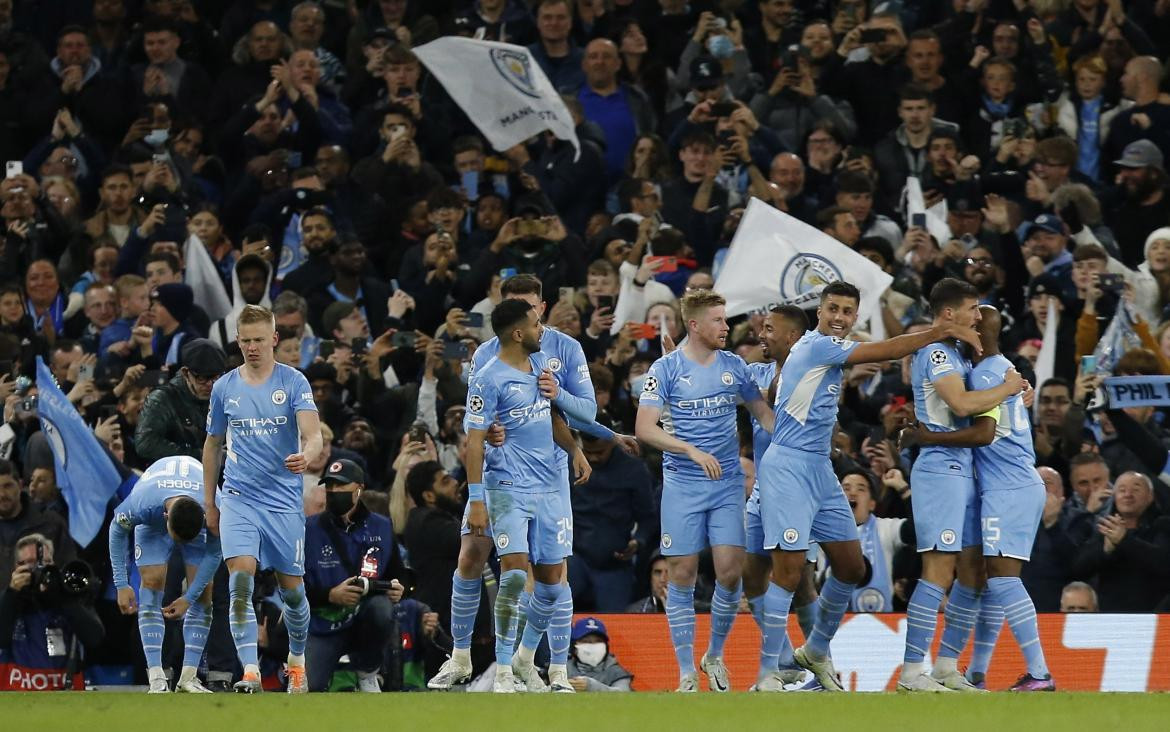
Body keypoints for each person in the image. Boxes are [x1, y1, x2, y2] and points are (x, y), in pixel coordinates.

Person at [756, 281, 984, 693]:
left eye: (847, 311)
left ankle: (816, 650)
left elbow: (787, 395)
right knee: (788, 571)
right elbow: (889, 349)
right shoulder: (817, 344)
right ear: (820, 311)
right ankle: (770, 672)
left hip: (819, 468)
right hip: (788, 465)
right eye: (833, 309)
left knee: (852, 567)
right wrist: (939, 331)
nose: (840, 317)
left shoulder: (823, 356)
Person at [429, 275, 624, 692]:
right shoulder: (487, 355)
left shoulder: (562, 351)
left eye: (530, 305)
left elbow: (581, 410)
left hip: (550, 474)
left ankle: (546, 666)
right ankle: (463, 657)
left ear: (543, 306)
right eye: (514, 304)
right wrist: (492, 429)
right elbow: (481, 415)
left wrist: (575, 442)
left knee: (554, 576)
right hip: (502, 474)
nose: (525, 313)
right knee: (475, 555)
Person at [902, 305, 1054, 692]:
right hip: (1006, 485)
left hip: (1008, 488)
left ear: (979, 333)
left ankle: (1039, 673)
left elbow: (982, 430)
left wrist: (928, 437)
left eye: (971, 323)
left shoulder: (986, 374)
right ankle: (975, 672)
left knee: (1002, 580)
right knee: (980, 579)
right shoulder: (998, 370)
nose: (964, 328)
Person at [634, 289, 775, 692]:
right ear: (694, 325)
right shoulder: (665, 370)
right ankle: (685, 673)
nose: (726, 327)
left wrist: (803, 439)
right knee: (682, 573)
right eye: (718, 320)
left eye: (725, 319)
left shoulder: (734, 366)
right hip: (682, 484)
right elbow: (645, 429)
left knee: (731, 574)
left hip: (727, 484)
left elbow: (763, 415)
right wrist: (690, 450)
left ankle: (713, 654)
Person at [459, 298, 590, 693]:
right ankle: (502, 670)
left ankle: (524, 657)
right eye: (536, 324)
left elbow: (549, 417)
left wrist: (575, 449)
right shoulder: (486, 378)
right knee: (515, 578)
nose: (541, 330)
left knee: (551, 583)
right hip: (507, 487)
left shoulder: (538, 368)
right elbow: (475, 443)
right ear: (518, 333)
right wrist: (477, 499)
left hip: (550, 487)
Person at [202, 304, 323, 693]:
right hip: (239, 498)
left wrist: (308, 454)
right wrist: (211, 501)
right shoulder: (224, 388)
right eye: (245, 340)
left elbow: (313, 433)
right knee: (240, 579)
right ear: (237, 341)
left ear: (273, 339)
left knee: (294, 593)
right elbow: (213, 444)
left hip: (284, 501)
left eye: (259, 339)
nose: (252, 347)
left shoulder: (293, 382)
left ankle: (297, 662)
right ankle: (250, 670)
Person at [741, 305, 821, 691]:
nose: (761, 335)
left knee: (802, 581)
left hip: (797, 485)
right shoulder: (755, 373)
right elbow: (718, 378)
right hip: (763, 487)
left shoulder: (812, 373)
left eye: (769, 329)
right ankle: (787, 660)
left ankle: (824, 668)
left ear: (792, 336)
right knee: (751, 574)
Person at [108, 455, 222, 693]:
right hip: (155, 510)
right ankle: (156, 677)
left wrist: (189, 598)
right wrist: (121, 583)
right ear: (166, 518)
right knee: (151, 581)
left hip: (196, 505)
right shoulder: (143, 503)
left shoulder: (214, 509)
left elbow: (214, 555)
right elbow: (116, 528)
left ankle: (188, 677)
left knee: (205, 593)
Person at [303, 459, 404, 692]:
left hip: (364, 616)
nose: (334, 492)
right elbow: (293, 586)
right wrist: (330, 595)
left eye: (341, 487)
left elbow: (398, 575)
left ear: (359, 490)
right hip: (323, 621)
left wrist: (399, 588)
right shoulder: (308, 529)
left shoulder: (381, 526)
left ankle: (368, 672)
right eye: (330, 487)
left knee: (382, 608)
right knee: (311, 687)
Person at [0, 534, 104, 692]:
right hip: (18, 697)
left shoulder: (70, 599)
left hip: (66, 697)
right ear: (17, 567)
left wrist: (63, 599)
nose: (39, 569)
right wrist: (12, 594)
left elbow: (95, 638)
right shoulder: (8, 599)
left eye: (46, 562)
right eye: (31, 563)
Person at [135, 339, 226, 463]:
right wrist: (199, 455)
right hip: (176, 475)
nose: (210, 385)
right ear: (185, 373)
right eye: (202, 378)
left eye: (216, 377)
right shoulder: (163, 399)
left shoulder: (228, 391)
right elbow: (145, 444)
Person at [565, 616, 633, 692]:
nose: (592, 646)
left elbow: (624, 695)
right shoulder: (563, 670)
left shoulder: (616, 672)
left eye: (598, 641)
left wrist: (591, 686)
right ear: (574, 645)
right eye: (586, 641)